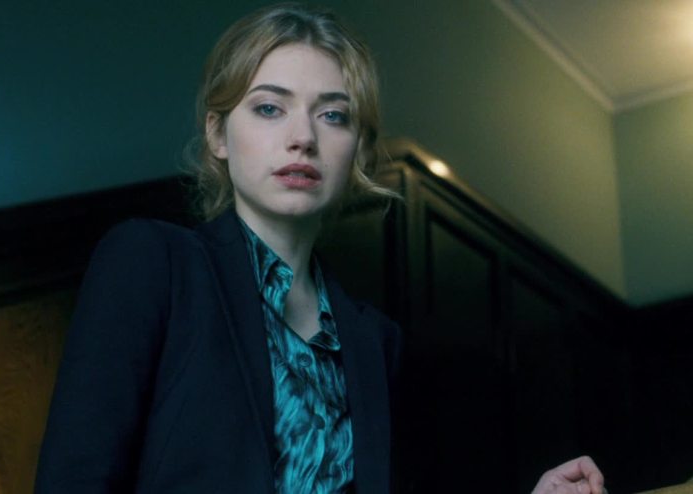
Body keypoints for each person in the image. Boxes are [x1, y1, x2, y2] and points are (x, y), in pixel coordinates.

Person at [35, 3, 607, 493]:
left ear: (356, 149)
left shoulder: (375, 341)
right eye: (269, 107)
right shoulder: (151, 262)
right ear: (217, 134)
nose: (303, 137)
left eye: (332, 115)